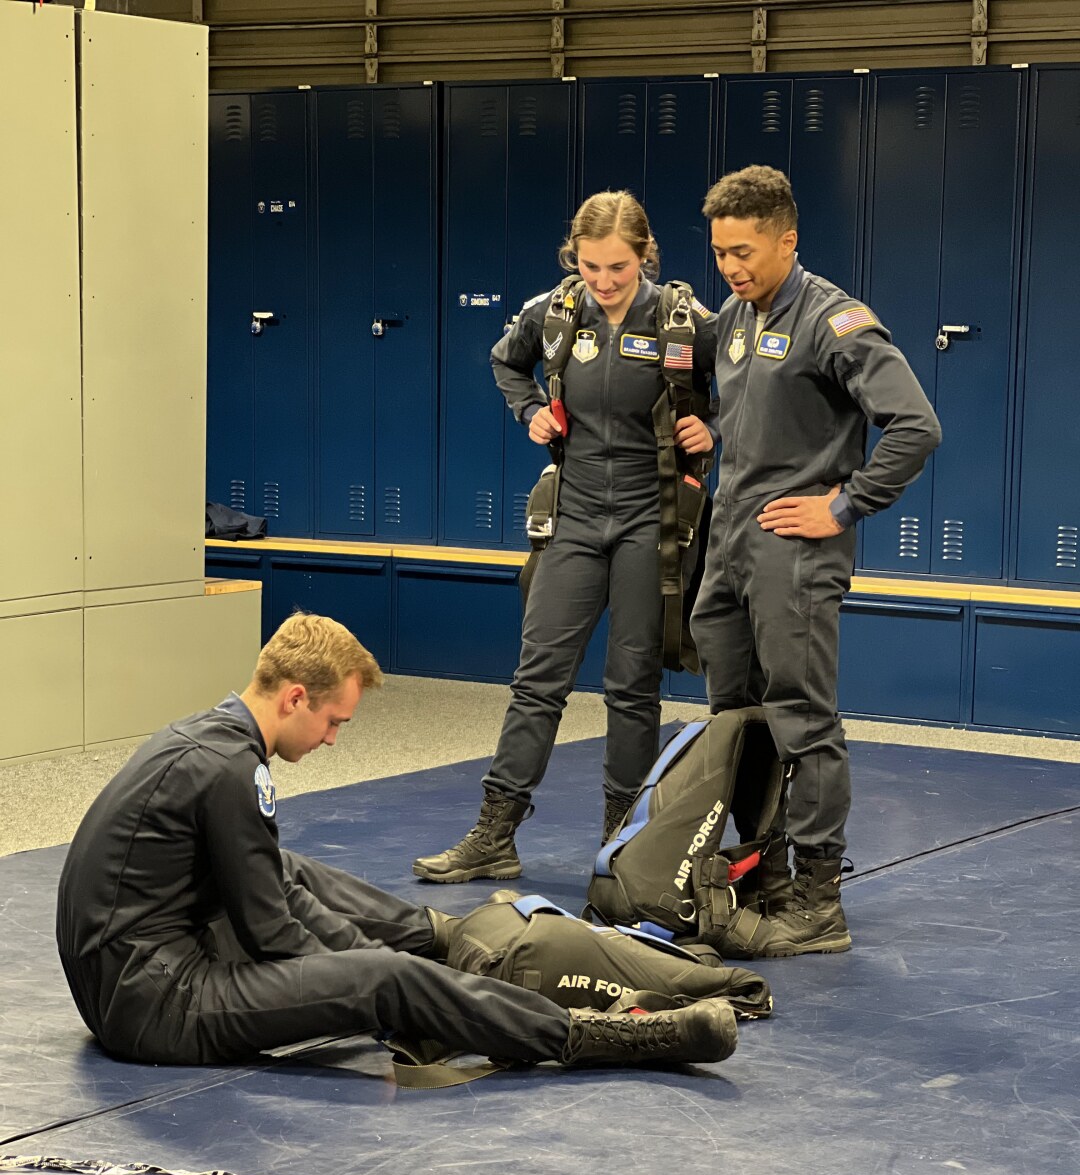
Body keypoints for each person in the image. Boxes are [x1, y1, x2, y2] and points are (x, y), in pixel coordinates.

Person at [55, 613, 735, 1072]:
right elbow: (272, 937)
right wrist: (387, 984)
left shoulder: (207, 739)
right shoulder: (234, 772)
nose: (332, 739)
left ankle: (438, 936)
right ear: (295, 697)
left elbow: (269, 895)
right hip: (156, 1008)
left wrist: (367, 957)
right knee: (386, 980)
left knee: (286, 871)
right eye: (331, 721)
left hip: (129, 978)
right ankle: (594, 1036)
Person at [414, 190, 719, 885]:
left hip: (652, 515)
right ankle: (495, 832)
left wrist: (714, 429)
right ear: (572, 258)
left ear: (645, 256)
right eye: (590, 266)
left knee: (632, 686)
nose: (604, 282)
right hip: (575, 513)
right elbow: (505, 362)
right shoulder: (554, 313)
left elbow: (744, 383)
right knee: (536, 679)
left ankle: (623, 843)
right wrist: (529, 411)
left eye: (618, 267)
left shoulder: (684, 321)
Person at [692, 165, 942, 956]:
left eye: (744, 251)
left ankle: (818, 894)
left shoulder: (834, 321)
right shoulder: (733, 317)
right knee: (737, 717)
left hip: (793, 552)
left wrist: (841, 505)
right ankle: (762, 871)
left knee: (803, 720)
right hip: (729, 541)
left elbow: (915, 428)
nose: (731, 267)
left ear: (786, 240)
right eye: (720, 253)